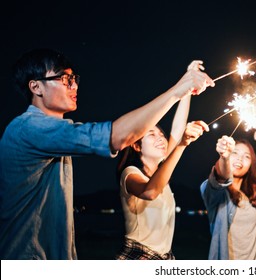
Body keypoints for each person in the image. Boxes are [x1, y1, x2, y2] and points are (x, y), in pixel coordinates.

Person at [0, 49, 214, 260]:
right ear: (36, 86)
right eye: (65, 79)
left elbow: (171, 137)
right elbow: (118, 136)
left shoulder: (51, 133)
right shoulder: (30, 129)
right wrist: (179, 89)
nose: (75, 85)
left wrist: (184, 93)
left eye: (74, 78)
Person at [116, 98, 209, 259]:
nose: (160, 138)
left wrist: (188, 90)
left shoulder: (162, 176)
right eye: (151, 134)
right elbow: (149, 191)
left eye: (161, 134)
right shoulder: (130, 173)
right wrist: (182, 144)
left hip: (164, 258)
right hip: (139, 257)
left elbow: (178, 129)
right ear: (137, 146)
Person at [200, 136, 256, 260]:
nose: (240, 158)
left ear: (251, 165)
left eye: (247, 156)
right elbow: (219, 179)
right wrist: (224, 157)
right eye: (234, 152)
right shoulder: (215, 193)